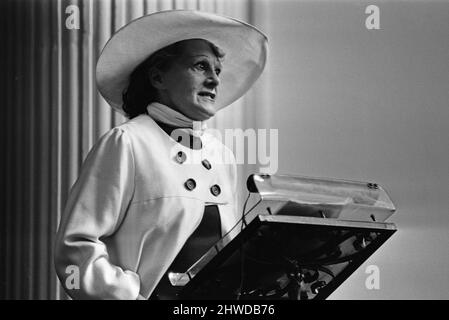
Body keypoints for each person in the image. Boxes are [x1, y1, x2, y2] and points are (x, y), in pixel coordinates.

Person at [54, 10, 267, 300]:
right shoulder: (127, 143)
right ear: (158, 77)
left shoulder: (221, 155)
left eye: (217, 70)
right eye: (201, 66)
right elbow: (75, 248)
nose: (215, 80)